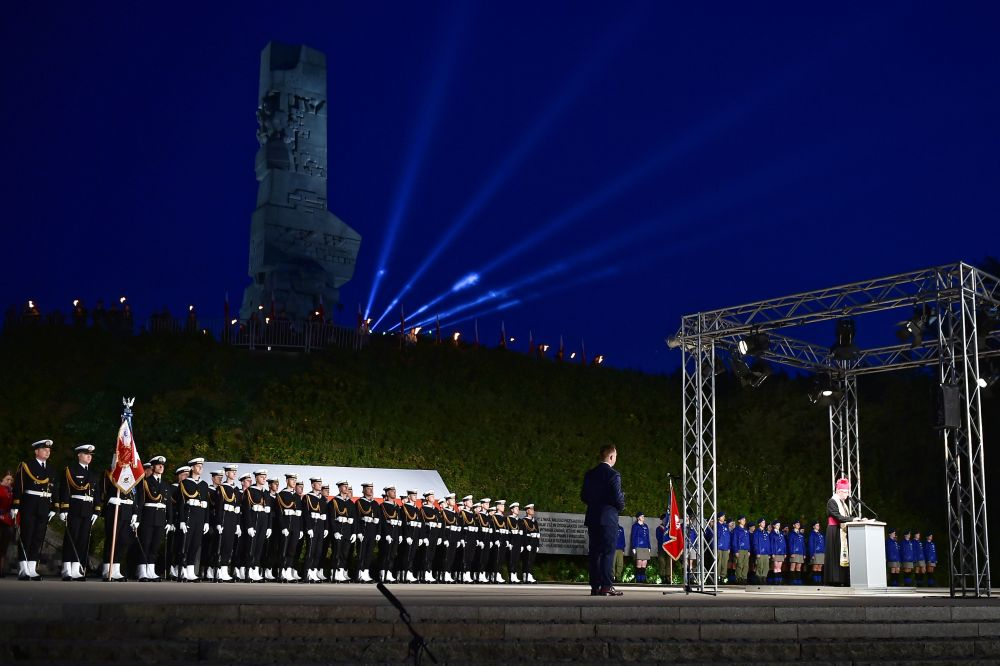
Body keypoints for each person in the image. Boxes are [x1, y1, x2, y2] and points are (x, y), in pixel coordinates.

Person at [580, 444, 625, 596]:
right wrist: (619, 506)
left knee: (594, 552)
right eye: (616, 456)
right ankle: (606, 586)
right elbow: (618, 499)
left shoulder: (590, 474)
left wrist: (596, 502)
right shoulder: (614, 475)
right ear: (611, 457)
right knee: (607, 552)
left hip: (593, 517)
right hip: (608, 518)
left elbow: (584, 496)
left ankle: (595, 586)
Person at [12, 439, 56, 580]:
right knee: (27, 535)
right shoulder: (27, 466)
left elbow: (54, 488)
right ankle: (23, 569)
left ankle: (32, 568)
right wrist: (15, 505)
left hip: (44, 505)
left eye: (49, 450)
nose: (47, 452)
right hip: (30, 504)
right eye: (44, 449)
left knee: (38, 537)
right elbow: (19, 486)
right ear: (36, 451)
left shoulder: (50, 468)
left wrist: (55, 506)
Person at [57, 444, 101, 581]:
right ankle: (67, 569)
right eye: (86, 454)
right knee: (72, 538)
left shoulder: (92, 474)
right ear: (79, 455)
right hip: (75, 507)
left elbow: (97, 494)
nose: (89, 457)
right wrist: (64, 509)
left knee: (83, 539)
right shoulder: (70, 470)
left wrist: (96, 510)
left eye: (90, 455)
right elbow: (65, 490)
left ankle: (76, 569)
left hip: (88, 509)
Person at [135, 455, 170, 582]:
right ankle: (142, 571)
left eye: (162, 465)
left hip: (160, 518)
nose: (161, 467)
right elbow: (140, 501)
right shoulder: (146, 482)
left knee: (155, 546)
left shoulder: (165, 484)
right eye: (158, 465)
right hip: (148, 517)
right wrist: (137, 518)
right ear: (153, 467)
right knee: (145, 543)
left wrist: (169, 520)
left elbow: (168, 505)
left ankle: (150, 570)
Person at [824, 478, 856, 586]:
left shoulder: (844, 504)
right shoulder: (832, 501)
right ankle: (835, 579)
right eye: (845, 492)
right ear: (838, 491)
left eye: (847, 492)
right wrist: (852, 520)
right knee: (835, 555)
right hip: (834, 531)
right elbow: (838, 517)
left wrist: (858, 519)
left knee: (841, 555)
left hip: (841, 530)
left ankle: (843, 579)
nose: (847, 494)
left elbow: (847, 516)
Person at [706, 511, 730, 584]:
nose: (724, 517)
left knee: (724, 563)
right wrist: (713, 547)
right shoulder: (716, 525)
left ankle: (723, 577)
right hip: (718, 547)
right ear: (719, 517)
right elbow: (713, 537)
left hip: (725, 547)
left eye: (724, 516)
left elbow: (728, 537)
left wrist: (729, 547)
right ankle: (717, 577)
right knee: (718, 563)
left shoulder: (726, 526)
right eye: (722, 516)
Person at [0, 471, 15, 578]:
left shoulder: (12, 491)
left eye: (11, 480)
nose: (9, 482)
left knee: (4, 546)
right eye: (7, 479)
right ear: (2, 480)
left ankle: (1, 569)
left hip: (7, 520)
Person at [521, 503, 539, 583]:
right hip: (528, 541)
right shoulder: (524, 521)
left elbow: (537, 533)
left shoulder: (534, 521)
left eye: (533, 509)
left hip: (534, 541)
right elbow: (524, 534)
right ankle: (526, 575)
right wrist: (526, 544)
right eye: (531, 509)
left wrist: (537, 544)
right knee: (527, 559)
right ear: (527, 511)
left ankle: (529, 574)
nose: (533, 511)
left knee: (532, 559)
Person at [630, 512, 651, 583]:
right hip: (638, 546)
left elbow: (648, 537)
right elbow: (633, 537)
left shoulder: (646, 526)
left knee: (644, 562)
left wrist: (649, 547)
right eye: (642, 516)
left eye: (643, 516)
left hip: (645, 546)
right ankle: (638, 578)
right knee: (639, 562)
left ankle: (643, 578)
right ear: (638, 518)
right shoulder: (635, 526)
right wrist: (633, 547)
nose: (643, 517)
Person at [751, 517, 770, 584]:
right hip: (760, 552)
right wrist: (757, 552)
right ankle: (759, 578)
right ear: (759, 524)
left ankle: (764, 578)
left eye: (764, 522)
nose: (764, 524)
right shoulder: (756, 532)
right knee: (760, 566)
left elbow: (768, 543)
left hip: (766, 553)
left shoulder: (766, 533)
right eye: (762, 522)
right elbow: (755, 543)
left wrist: (768, 553)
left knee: (766, 566)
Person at [732, 515, 751, 585]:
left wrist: (749, 550)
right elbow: (734, 541)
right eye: (742, 519)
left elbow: (748, 541)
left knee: (746, 565)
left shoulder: (746, 530)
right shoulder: (736, 530)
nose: (744, 521)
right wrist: (736, 551)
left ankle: (744, 577)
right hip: (739, 549)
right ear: (739, 521)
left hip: (746, 549)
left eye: (744, 519)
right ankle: (738, 577)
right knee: (739, 564)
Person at [787, 519, 806, 585]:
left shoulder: (801, 534)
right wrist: (792, 552)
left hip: (800, 552)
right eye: (797, 524)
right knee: (793, 567)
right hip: (794, 552)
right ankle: (791, 580)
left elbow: (803, 544)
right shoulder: (791, 533)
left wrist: (804, 553)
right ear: (793, 525)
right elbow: (790, 544)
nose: (798, 525)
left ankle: (798, 580)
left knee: (799, 567)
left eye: (799, 524)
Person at [768, 520, 786, 585]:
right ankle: (775, 580)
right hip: (775, 552)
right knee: (776, 567)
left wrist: (784, 552)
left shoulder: (781, 533)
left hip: (781, 553)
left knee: (779, 567)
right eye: (777, 525)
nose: (778, 526)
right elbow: (771, 544)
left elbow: (784, 544)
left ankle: (779, 580)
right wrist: (772, 553)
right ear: (774, 525)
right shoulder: (772, 534)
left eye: (779, 525)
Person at [807, 519, 825, 584]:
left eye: (818, 525)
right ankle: (814, 581)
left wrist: (824, 552)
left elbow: (823, 543)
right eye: (817, 525)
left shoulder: (821, 534)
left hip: (821, 552)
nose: (818, 526)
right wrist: (812, 554)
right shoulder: (812, 534)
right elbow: (811, 545)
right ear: (813, 526)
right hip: (816, 552)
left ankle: (819, 581)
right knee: (815, 566)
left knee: (820, 567)